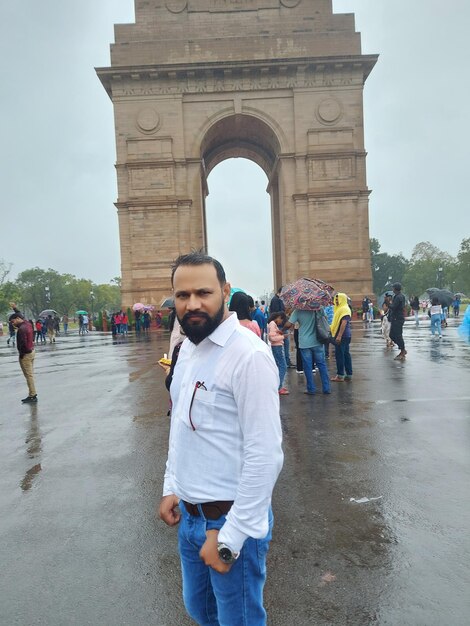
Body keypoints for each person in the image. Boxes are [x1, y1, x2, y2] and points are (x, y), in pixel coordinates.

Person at [158, 251, 283, 626]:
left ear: (225, 292)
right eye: (182, 295)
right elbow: (181, 427)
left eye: (203, 292)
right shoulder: (187, 352)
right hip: (190, 520)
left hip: (230, 521)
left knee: (238, 621)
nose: (192, 304)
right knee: (201, 613)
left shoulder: (249, 357)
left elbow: (266, 456)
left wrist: (230, 538)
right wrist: (171, 485)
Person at [284, 307, 331, 394]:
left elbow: (289, 324)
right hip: (318, 341)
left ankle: (311, 389)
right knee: (321, 365)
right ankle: (326, 388)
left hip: (304, 343)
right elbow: (325, 319)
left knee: (307, 366)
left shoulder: (298, 311)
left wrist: (282, 330)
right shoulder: (318, 309)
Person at [9, 309, 38, 403]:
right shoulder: (28, 324)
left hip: (26, 354)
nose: (12, 324)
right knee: (30, 375)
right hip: (32, 351)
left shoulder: (21, 329)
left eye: (13, 321)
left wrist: (21, 355)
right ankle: (32, 394)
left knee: (28, 376)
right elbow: (21, 315)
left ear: (17, 319)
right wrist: (15, 309)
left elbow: (23, 344)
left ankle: (32, 395)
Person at [330, 293, 353, 381]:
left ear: (342, 299)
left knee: (340, 355)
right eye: (335, 300)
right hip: (345, 335)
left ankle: (340, 375)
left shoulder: (344, 309)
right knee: (346, 354)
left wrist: (339, 336)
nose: (336, 301)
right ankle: (349, 374)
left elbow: (344, 323)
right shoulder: (340, 309)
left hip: (342, 336)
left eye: (338, 299)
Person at [267, 311, 289, 394]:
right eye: (281, 320)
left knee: (279, 366)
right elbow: (272, 338)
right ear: (279, 317)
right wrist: (283, 336)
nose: (281, 322)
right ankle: (279, 387)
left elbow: (273, 335)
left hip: (276, 347)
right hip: (277, 347)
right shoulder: (273, 324)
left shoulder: (272, 324)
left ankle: (278, 386)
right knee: (283, 366)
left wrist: (278, 333)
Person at [389, 282, 407, 360]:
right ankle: (402, 348)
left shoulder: (399, 297)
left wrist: (387, 303)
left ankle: (402, 350)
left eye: (393, 287)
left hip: (398, 319)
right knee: (391, 335)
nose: (392, 289)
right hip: (395, 318)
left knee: (398, 335)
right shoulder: (398, 296)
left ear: (395, 288)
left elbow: (393, 307)